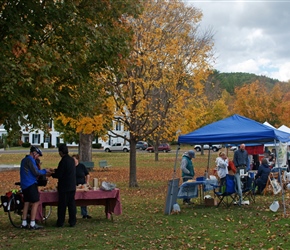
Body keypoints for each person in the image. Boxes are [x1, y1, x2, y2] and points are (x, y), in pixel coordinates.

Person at [20, 146, 51, 229]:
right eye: (37, 155)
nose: (38, 157)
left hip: (24, 184)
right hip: (30, 183)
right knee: (36, 202)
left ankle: (24, 222)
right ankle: (32, 223)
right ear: (33, 153)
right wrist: (45, 170)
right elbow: (36, 172)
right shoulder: (30, 160)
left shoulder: (23, 160)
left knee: (27, 202)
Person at [52, 144, 77, 227]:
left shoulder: (63, 161)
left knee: (62, 205)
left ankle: (60, 222)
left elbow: (60, 174)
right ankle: (72, 221)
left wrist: (52, 174)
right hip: (72, 185)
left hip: (64, 186)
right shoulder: (71, 160)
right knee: (71, 204)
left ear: (61, 152)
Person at [72, 154, 92, 219]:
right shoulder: (71, 167)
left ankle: (84, 213)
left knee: (83, 199)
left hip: (82, 185)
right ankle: (73, 214)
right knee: (73, 200)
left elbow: (87, 174)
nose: (73, 161)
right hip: (74, 186)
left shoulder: (81, 166)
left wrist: (87, 182)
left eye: (74, 159)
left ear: (77, 160)